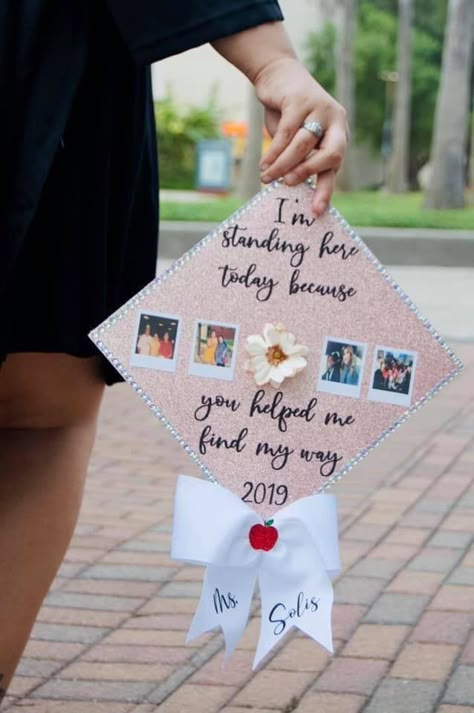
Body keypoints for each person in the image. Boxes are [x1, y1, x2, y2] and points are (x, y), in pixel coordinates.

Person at [0, 0, 348, 697]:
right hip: (61, 75)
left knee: (43, 409)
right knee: (39, 421)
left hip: (60, 70)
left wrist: (276, 63)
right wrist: (271, 59)